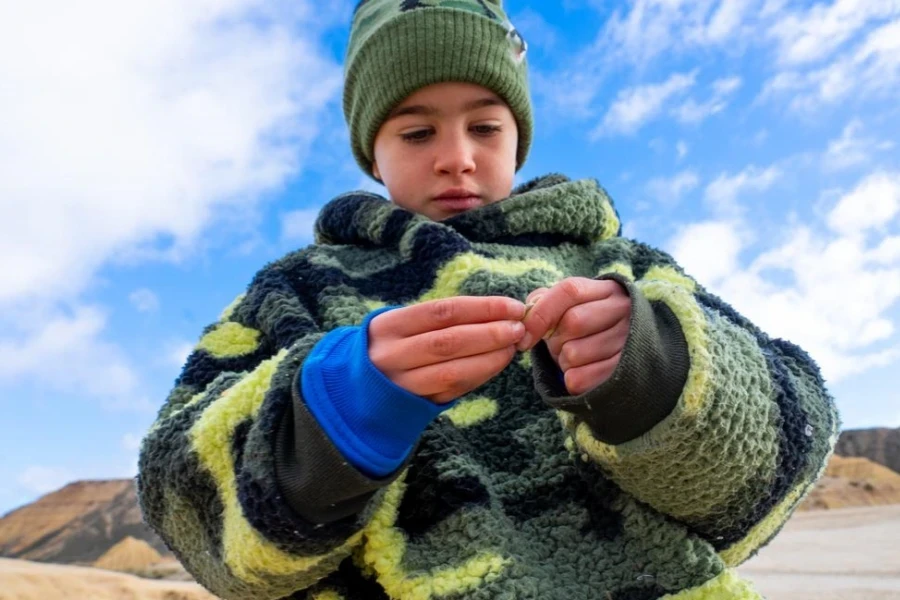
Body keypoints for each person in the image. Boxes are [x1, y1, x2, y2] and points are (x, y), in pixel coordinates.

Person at [137, 1, 839, 599]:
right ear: (370, 151)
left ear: (519, 137)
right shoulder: (294, 292)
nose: (456, 157)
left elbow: (786, 454)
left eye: (485, 126)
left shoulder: (622, 268)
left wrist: (654, 375)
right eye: (416, 132)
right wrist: (330, 417)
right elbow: (179, 497)